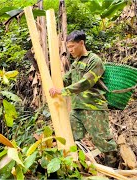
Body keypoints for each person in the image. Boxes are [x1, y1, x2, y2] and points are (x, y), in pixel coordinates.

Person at [49, 30, 118, 167]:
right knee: (71, 138)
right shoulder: (76, 63)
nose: (70, 50)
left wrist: (62, 91)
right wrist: (48, 80)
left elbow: (86, 82)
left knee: (103, 141)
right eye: (68, 48)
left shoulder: (94, 60)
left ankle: (112, 172)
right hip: (77, 108)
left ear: (81, 43)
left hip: (93, 108)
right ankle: (77, 168)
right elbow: (66, 79)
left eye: (72, 47)